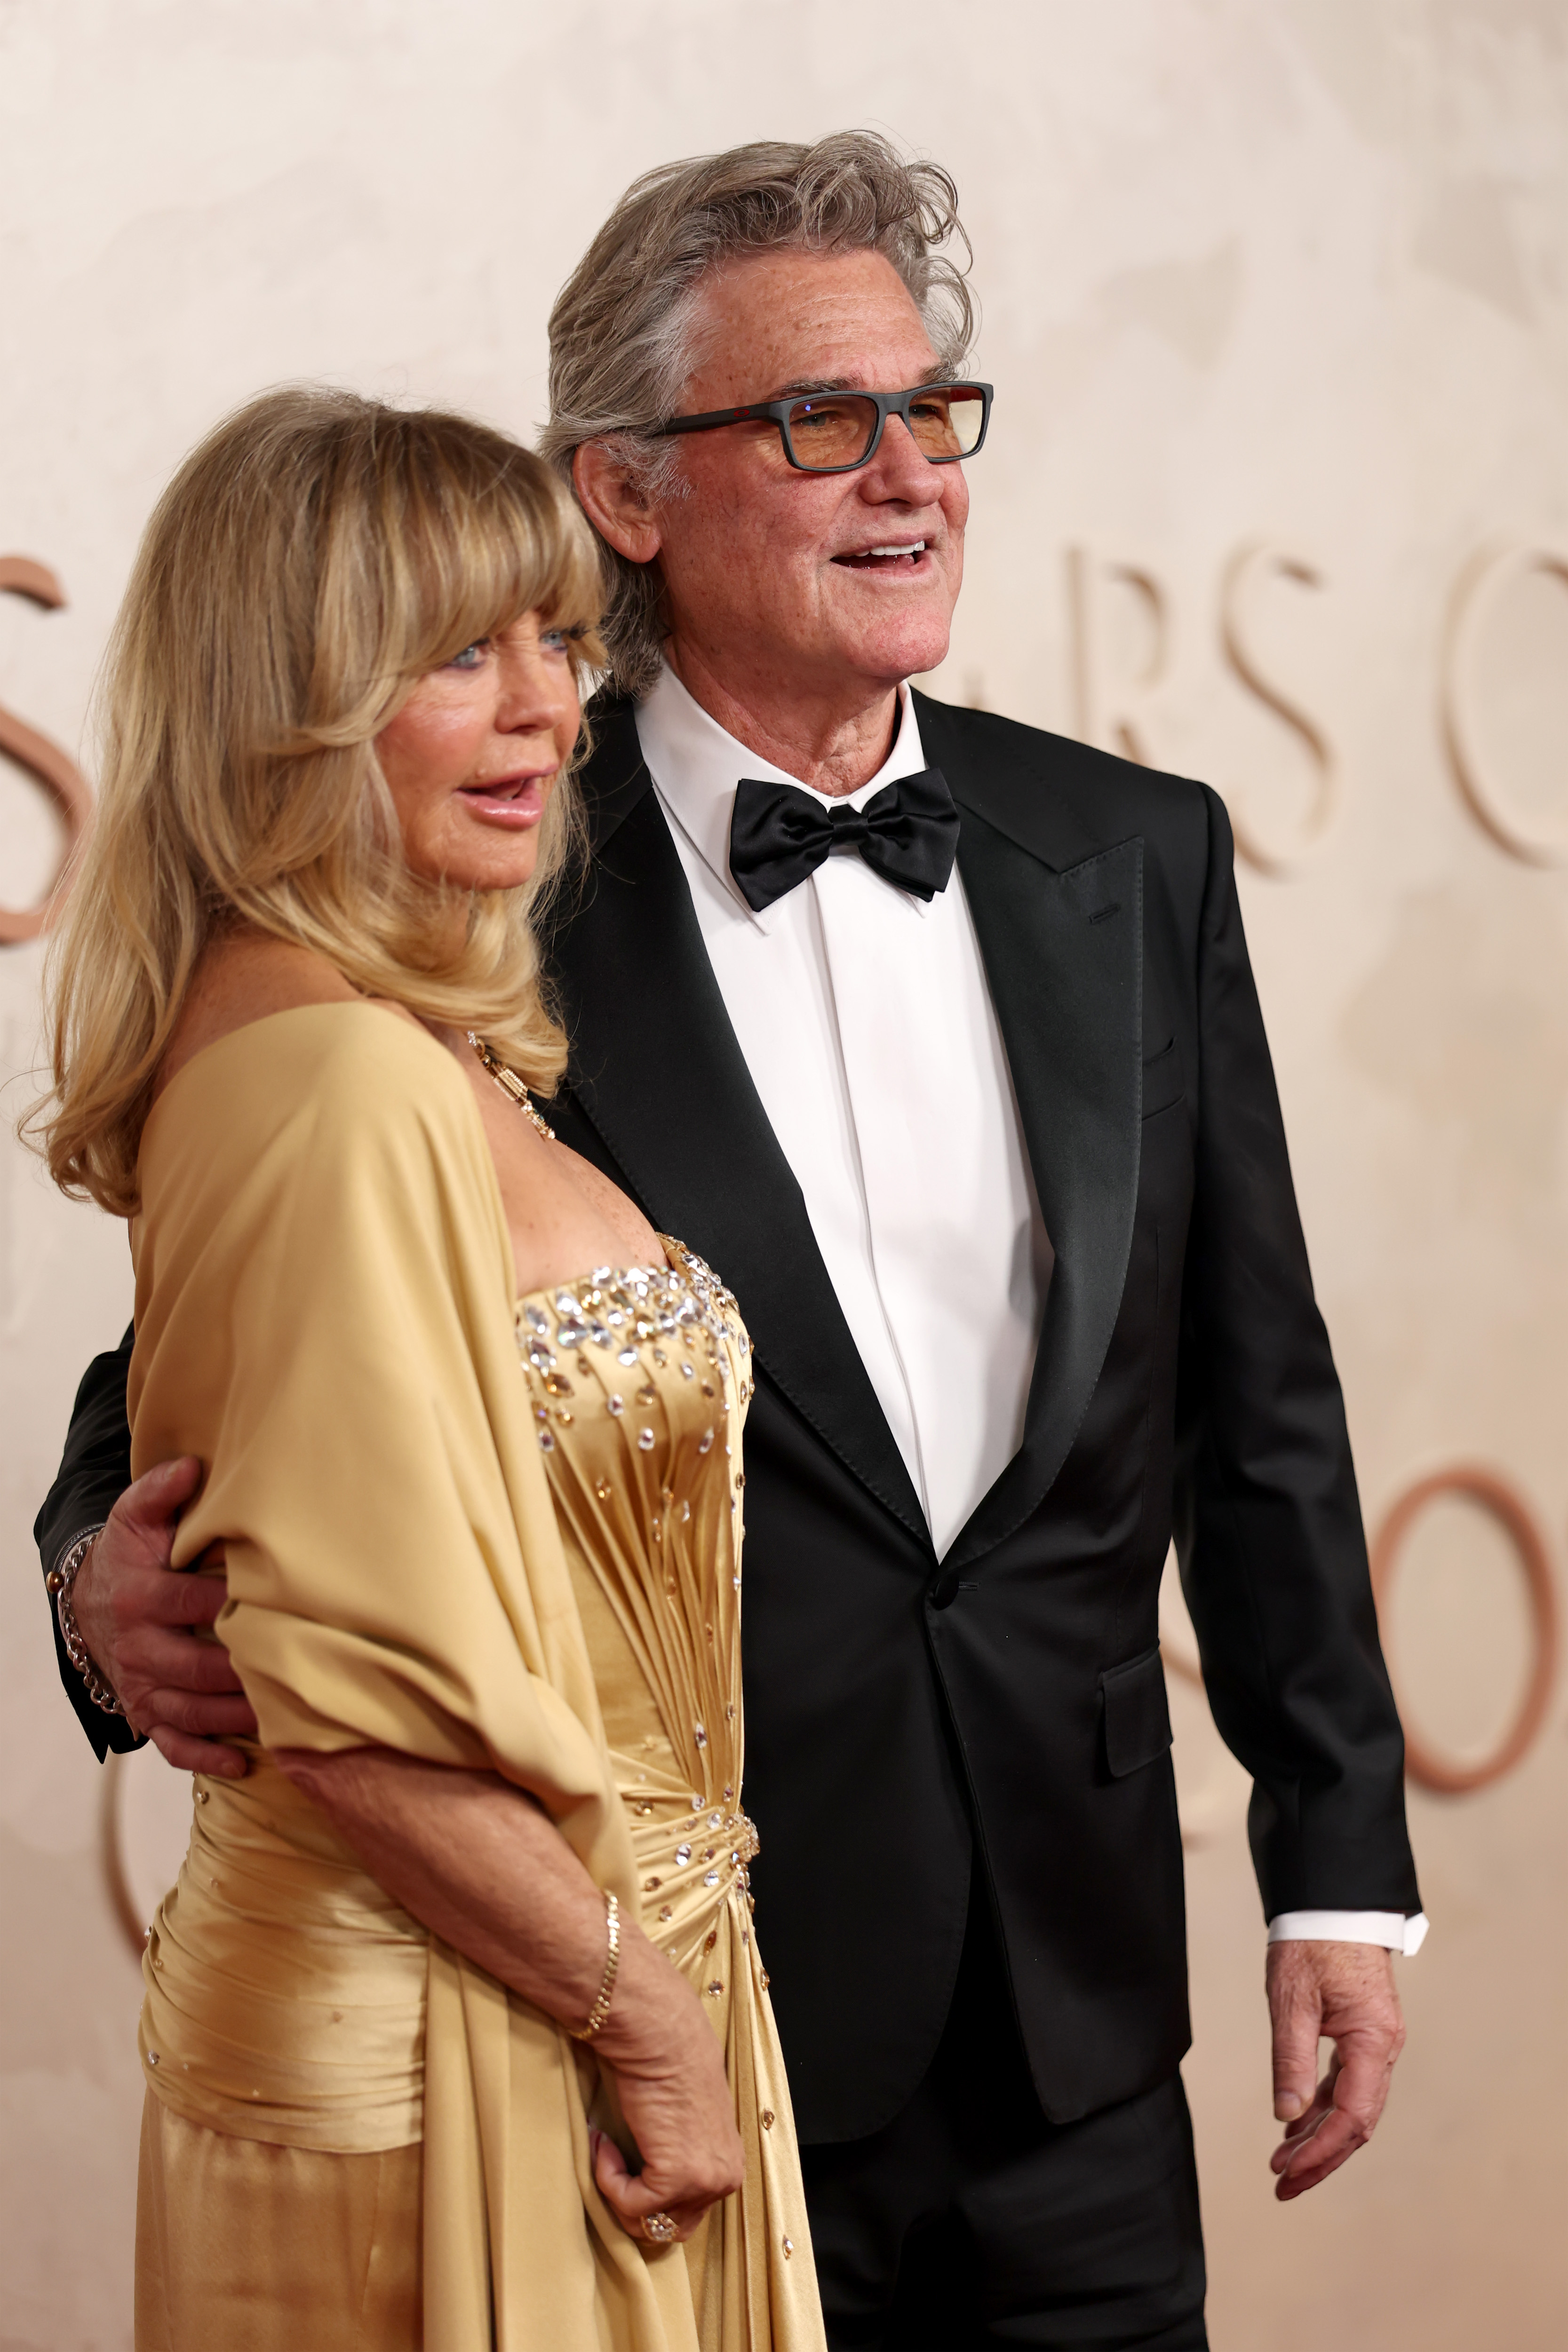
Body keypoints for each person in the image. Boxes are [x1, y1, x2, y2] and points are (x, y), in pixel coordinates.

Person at [39, 139, 1423, 2350]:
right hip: (656, 2009)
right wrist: (97, 1557)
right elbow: (248, 1314)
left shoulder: (1130, 846)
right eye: (817, 419)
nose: (906, 475)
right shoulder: (464, 852)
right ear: (624, 489)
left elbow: (1258, 1397)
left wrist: (1341, 1863)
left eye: (930, 411)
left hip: (1079, 2018)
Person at [30, 387, 826, 2352]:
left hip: (596, 1966)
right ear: (286, 701)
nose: (552, 705)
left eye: (558, 640)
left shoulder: (402, 1036)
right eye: (460, 652)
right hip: (471, 2020)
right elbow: (351, 1684)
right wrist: (644, 2014)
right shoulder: (337, 1076)